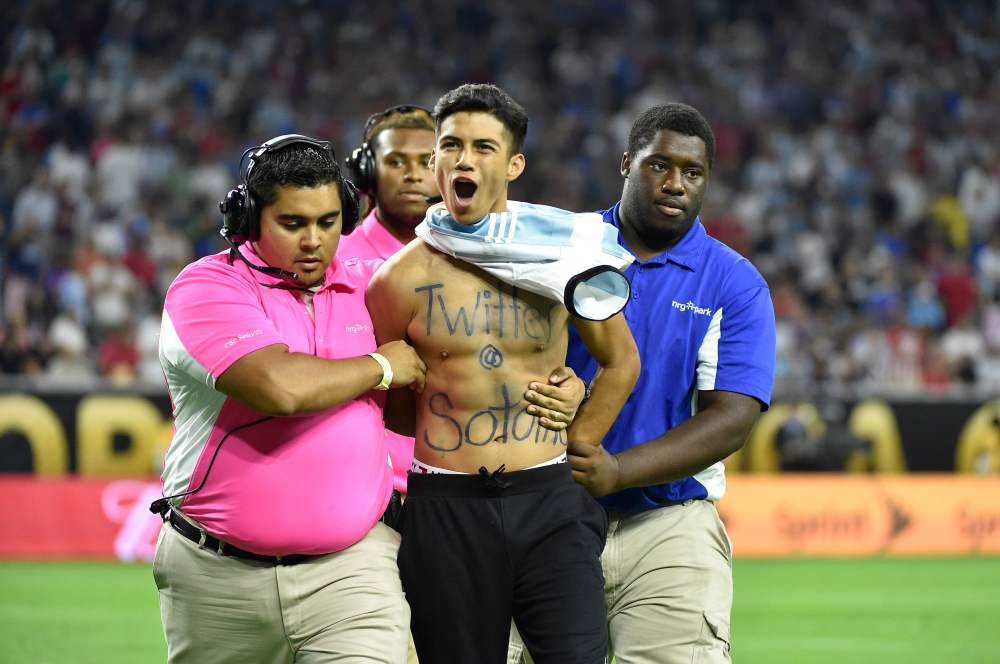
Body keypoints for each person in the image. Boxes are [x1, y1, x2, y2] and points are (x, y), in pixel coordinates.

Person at [366, 83, 641, 664]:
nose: (464, 160)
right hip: (446, 508)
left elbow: (621, 360)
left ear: (514, 164)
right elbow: (390, 405)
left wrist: (583, 437)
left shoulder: (564, 254)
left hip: (550, 499)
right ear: (436, 156)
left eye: (484, 148)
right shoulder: (396, 280)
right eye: (451, 145)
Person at [514, 103, 777, 663]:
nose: (675, 183)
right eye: (660, 166)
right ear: (627, 163)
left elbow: (732, 419)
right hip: (546, 514)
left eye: (693, 172)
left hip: (668, 526)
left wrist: (618, 472)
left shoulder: (734, 283)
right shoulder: (562, 244)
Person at [152, 134, 427, 664]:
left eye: (328, 222)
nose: (314, 241)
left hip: (353, 571)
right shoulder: (207, 287)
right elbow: (278, 387)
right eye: (293, 224)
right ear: (250, 220)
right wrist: (382, 366)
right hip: (217, 577)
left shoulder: (371, 289)